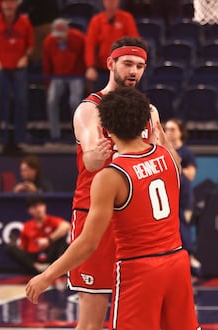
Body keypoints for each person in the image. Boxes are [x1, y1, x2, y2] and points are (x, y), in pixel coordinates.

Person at [26, 86, 201, 330]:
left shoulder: (112, 176)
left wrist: (47, 276)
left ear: (104, 129)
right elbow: (176, 165)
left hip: (140, 268)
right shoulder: (167, 157)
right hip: (177, 263)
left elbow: (88, 243)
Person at [61, 36, 159, 330]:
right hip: (95, 217)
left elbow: (165, 158)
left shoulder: (149, 112)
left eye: (140, 66)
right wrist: (99, 152)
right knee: (91, 319)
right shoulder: (90, 109)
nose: (134, 71)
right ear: (111, 63)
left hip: (134, 221)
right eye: (128, 63)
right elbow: (90, 161)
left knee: (135, 317)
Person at [0, 0, 34, 147]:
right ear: (2, 5)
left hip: (19, 67)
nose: (9, 6)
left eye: (11, 3)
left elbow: (30, 45)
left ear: (16, 5)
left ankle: (21, 135)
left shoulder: (24, 22)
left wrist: (25, 57)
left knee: (22, 101)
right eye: (6, 3)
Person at [164, 118, 201, 273]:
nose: (169, 132)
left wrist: (173, 168)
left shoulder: (186, 152)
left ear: (180, 132)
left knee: (183, 229)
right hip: (167, 198)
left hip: (183, 198)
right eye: (167, 129)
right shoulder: (162, 150)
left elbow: (191, 174)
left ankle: (191, 263)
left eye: (173, 129)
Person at [43, 18, 86, 141]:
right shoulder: (49, 41)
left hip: (76, 75)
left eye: (61, 36)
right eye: (56, 36)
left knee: (75, 102)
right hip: (57, 76)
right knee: (51, 100)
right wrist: (47, 83)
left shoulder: (79, 38)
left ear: (68, 32)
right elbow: (47, 64)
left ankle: (78, 135)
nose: (59, 39)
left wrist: (85, 79)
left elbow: (85, 58)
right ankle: (54, 135)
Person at [7, 195, 70, 274]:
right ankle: (37, 268)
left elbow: (66, 226)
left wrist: (48, 240)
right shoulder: (27, 226)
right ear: (29, 210)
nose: (38, 209)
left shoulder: (52, 220)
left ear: (45, 207)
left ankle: (55, 267)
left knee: (62, 236)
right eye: (34, 207)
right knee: (11, 248)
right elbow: (23, 248)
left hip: (51, 254)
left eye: (40, 205)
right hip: (35, 258)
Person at [85, 0, 139, 91]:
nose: (110, 2)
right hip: (101, 68)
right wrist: (90, 67)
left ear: (118, 2)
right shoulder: (96, 20)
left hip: (122, 68)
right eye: (108, 1)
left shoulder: (126, 18)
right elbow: (90, 45)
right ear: (103, 2)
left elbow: (134, 42)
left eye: (113, 1)